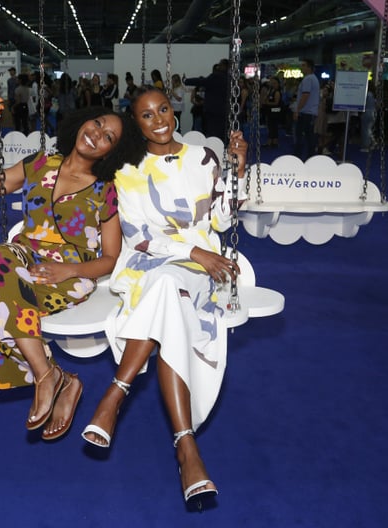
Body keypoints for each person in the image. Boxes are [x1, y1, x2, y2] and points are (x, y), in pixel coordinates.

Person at [81, 86, 248, 507]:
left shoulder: (203, 158)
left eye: (164, 110)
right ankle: (186, 446)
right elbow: (139, 239)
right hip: (151, 268)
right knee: (167, 288)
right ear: (135, 123)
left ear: (174, 112)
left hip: (202, 269)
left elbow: (222, 220)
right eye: (146, 115)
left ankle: (115, 394)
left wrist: (238, 170)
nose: (159, 120)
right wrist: (193, 251)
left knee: (171, 294)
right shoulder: (128, 170)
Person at [0, 87, 147, 441]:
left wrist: (69, 270)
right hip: (23, 259)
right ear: (83, 121)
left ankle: (56, 378)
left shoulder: (104, 190)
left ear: (113, 151)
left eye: (108, 136)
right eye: (97, 123)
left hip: (71, 275)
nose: (97, 134)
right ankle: (50, 374)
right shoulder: (39, 163)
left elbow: (111, 259)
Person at [184, 59, 230, 141]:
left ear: (223, 66)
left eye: (220, 65)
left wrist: (186, 81)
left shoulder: (216, 76)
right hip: (224, 110)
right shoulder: (229, 78)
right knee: (222, 132)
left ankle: (214, 149)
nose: (218, 66)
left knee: (213, 133)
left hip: (213, 110)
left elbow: (201, 81)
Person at [292, 58, 320, 160]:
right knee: (309, 136)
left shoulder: (308, 79)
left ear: (309, 67)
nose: (301, 67)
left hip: (306, 112)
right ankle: (310, 157)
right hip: (310, 112)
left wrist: (297, 110)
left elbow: (305, 95)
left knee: (302, 136)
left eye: (303, 65)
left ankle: (298, 157)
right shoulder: (314, 78)